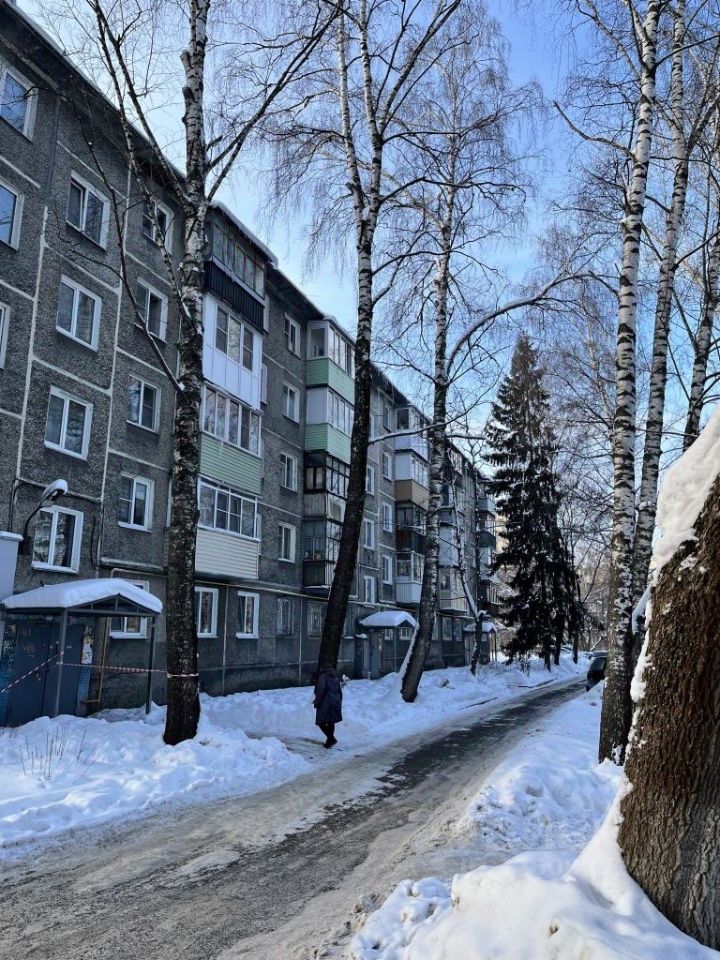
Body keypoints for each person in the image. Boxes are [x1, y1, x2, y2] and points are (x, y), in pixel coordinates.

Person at [313, 662, 343, 748]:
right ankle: (329, 741)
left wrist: (317, 701)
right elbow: (339, 691)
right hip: (335, 702)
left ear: (323, 668)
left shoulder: (323, 677)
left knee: (320, 722)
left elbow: (320, 690)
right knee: (331, 722)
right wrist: (339, 701)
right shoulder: (335, 677)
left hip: (326, 703)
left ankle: (331, 738)